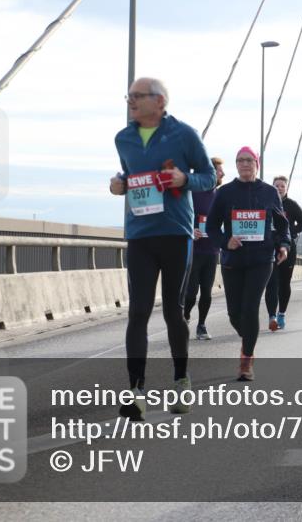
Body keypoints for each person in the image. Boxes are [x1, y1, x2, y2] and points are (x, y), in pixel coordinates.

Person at [110, 77, 216, 420]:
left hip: (175, 232)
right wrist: (119, 184)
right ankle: (136, 391)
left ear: (159, 101)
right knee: (138, 312)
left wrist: (186, 180)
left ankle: (181, 380)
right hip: (140, 234)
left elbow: (208, 177)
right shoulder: (123, 138)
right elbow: (130, 176)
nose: (130, 101)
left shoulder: (183, 134)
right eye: (129, 96)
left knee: (173, 310)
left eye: (137, 96)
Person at [206, 147, 289, 381]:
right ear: (236, 165)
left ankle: (246, 359)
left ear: (257, 164)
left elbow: (283, 227)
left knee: (250, 307)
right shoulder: (224, 193)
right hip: (233, 260)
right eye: (240, 160)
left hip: (262, 259)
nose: (244, 164)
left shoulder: (269, 192)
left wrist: (284, 245)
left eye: (249, 160)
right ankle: (249, 339)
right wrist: (225, 241)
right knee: (235, 314)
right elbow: (211, 227)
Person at [184, 156, 225, 340]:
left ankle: (201, 325)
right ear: (209, 172)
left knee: (207, 292)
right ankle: (184, 318)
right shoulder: (193, 193)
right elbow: (182, 215)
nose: (223, 173)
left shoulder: (220, 196)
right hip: (195, 250)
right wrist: (191, 229)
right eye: (219, 170)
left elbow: (226, 221)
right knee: (191, 292)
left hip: (212, 250)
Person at [263, 176, 302, 331]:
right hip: (269, 247)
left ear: (286, 188)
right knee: (271, 283)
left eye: (282, 186)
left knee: (284, 283)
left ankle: (281, 313)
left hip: (288, 248)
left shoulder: (292, 205)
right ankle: (272, 317)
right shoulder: (266, 202)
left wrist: (289, 231)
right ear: (272, 187)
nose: (279, 188)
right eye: (276, 185)